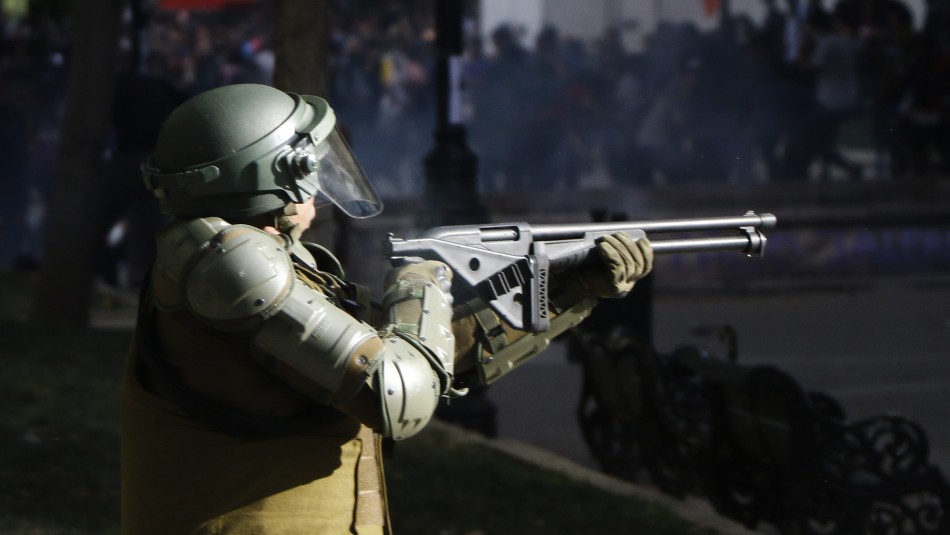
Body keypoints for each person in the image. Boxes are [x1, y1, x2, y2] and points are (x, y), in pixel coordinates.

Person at [120, 83, 653, 534]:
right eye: (311, 159)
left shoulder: (237, 256)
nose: (322, 180)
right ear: (274, 172)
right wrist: (421, 282)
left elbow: (413, 351)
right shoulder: (235, 268)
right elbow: (398, 395)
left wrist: (572, 285)